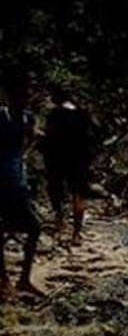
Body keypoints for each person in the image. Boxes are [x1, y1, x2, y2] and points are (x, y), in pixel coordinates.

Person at [0, 76, 44, 299]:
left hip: (17, 180)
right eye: (20, 95)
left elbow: (31, 139)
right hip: (3, 180)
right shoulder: (2, 116)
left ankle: (22, 279)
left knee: (34, 228)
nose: (24, 99)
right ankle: (6, 279)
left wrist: (32, 141)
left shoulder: (27, 118)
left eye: (26, 95)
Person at [43, 85, 93, 246]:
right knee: (79, 194)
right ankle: (76, 233)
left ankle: (60, 222)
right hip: (80, 159)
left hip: (58, 158)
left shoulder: (55, 114)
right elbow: (91, 136)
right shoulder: (83, 114)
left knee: (56, 190)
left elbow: (49, 136)